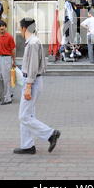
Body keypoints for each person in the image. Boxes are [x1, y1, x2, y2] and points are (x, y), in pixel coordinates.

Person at [14, 18, 61, 155]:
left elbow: (33, 67)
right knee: (28, 114)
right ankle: (27, 145)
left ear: (24, 29)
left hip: (32, 82)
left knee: (24, 116)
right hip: (32, 81)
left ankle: (51, 134)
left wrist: (28, 86)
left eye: (19, 28)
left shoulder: (33, 43)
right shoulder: (33, 42)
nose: (19, 31)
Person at [0, 21, 16, 105]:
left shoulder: (10, 37)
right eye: (0, 26)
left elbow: (13, 50)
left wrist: (13, 61)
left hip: (7, 58)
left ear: (5, 27)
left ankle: (7, 99)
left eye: (3, 25)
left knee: (6, 79)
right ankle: (8, 93)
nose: (1, 27)